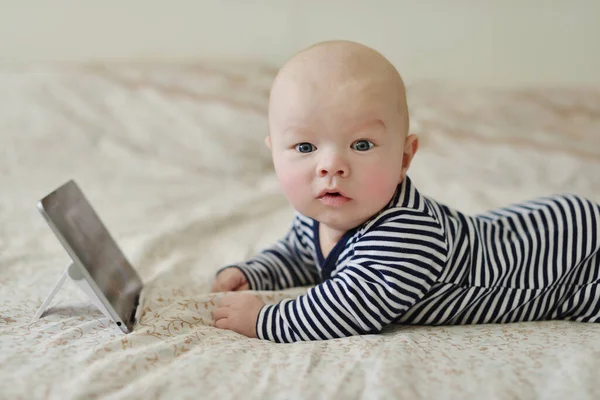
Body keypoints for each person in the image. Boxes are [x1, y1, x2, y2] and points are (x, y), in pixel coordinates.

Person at [210, 40, 600, 343]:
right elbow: (300, 256)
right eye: (305, 147)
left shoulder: (406, 234)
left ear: (404, 157)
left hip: (573, 256)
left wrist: (264, 320)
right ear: (274, 155)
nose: (331, 166)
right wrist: (255, 272)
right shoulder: (322, 214)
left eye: (361, 145)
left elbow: (348, 308)